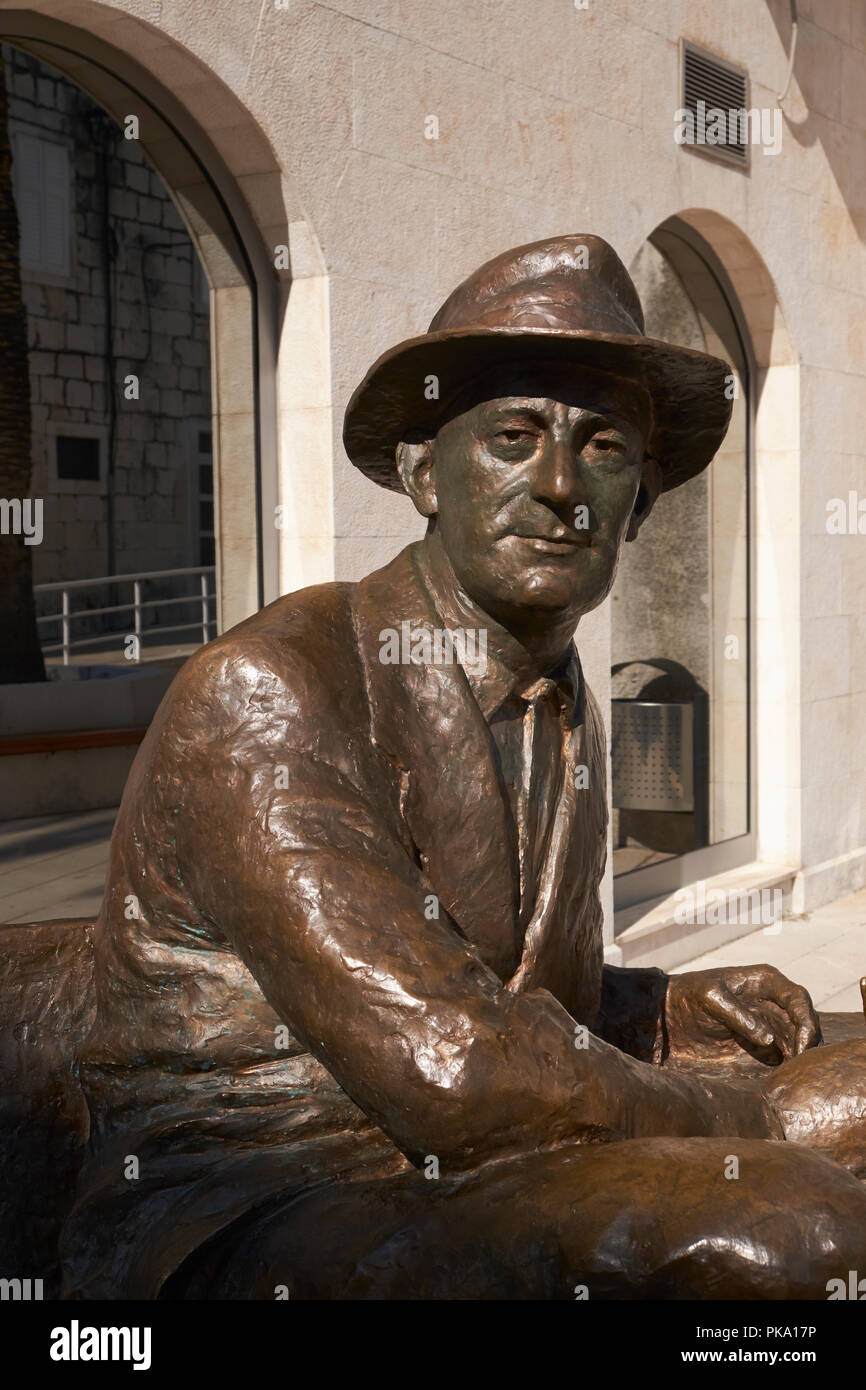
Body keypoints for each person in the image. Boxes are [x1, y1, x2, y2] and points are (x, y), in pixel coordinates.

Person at [5, 236, 866, 1300]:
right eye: (513, 437)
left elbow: (497, 984)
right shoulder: (271, 690)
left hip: (467, 1158)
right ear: (424, 471)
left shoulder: (563, 703)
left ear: (638, 503)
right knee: (791, 1234)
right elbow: (454, 1068)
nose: (557, 485)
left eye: (600, 447)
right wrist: (763, 1120)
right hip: (254, 1204)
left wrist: (660, 1009)